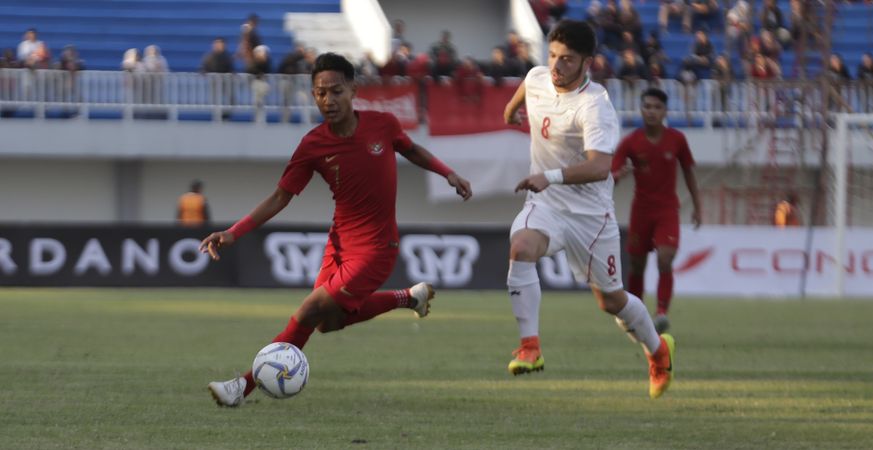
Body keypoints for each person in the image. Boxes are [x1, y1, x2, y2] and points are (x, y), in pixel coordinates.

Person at [204, 53, 473, 407]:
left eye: (335, 91)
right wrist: (234, 232)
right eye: (320, 93)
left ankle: (242, 386)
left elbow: (412, 150)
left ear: (353, 90)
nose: (328, 101)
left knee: (308, 310)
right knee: (325, 324)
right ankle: (409, 297)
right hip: (339, 244)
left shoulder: (383, 125)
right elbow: (280, 196)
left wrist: (447, 172)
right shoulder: (313, 145)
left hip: (377, 249)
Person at [501, 20, 674, 399]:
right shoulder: (537, 78)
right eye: (552, 57)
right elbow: (523, 91)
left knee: (610, 300)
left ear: (587, 62)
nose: (557, 67)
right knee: (521, 250)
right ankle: (530, 347)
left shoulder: (595, 107)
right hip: (545, 204)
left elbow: (599, 167)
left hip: (590, 217)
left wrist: (550, 175)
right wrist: (511, 111)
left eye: (567, 60)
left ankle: (658, 352)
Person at [612, 88, 702, 334]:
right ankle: (634, 315)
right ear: (641, 110)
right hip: (641, 211)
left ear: (665, 111)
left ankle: (661, 312)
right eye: (647, 107)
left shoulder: (677, 139)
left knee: (665, 258)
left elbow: (689, 172)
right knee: (637, 266)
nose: (651, 112)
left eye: (656, 107)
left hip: (667, 210)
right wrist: (619, 174)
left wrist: (697, 206)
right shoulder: (630, 142)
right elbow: (611, 175)